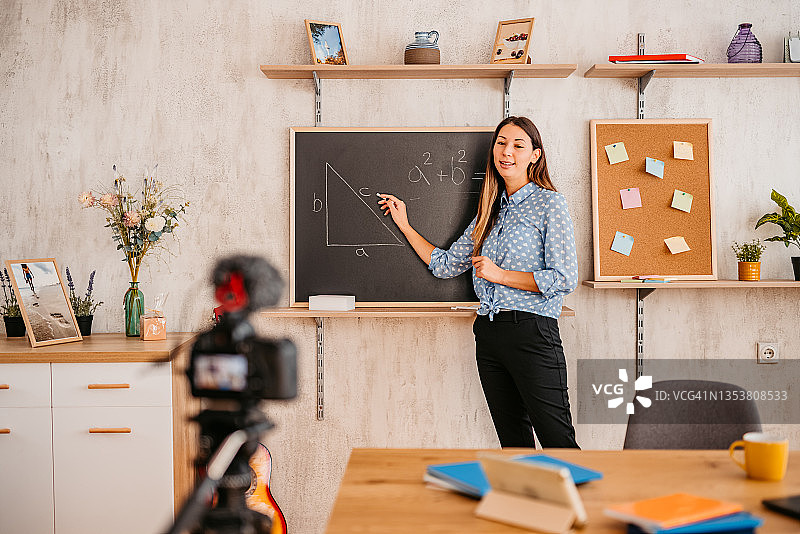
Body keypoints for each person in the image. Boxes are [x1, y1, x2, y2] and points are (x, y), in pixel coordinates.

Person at [378, 116, 579, 448]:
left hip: (532, 331)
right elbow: (444, 265)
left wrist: (500, 275)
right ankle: (524, 501)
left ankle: (586, 501)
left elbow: (564, 278)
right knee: (514, 446)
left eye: (518, 145)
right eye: (501, 143)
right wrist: (404, 222)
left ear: (535, 156)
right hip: (489, 334)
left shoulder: (549, 203)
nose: (507, 152)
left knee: (559, 443)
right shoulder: (490, 210)